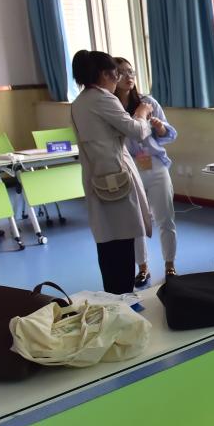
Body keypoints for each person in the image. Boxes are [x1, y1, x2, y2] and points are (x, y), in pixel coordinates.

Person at [70, 50, 153, 294]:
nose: (119, 78)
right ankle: (123, 300)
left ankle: (113, 298)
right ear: (105, 75)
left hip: (96, 177)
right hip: (116, 178)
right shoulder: (103, 99)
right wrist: (142, 113)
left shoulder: (79, 102)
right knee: (122, 245)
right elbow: (137, 131)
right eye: (117, 73)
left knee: (107, 246)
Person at [114, 57, 178, 287]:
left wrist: (160, 128)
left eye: (131, 71)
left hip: (155, 165)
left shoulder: (148, 102)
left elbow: (169, 133)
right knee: (137, 221)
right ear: (111, 76)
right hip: (129, 167)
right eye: (121, 72)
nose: (129, 76)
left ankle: (170, 265)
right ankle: (143, 268)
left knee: (165, 217)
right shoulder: (112, 107)